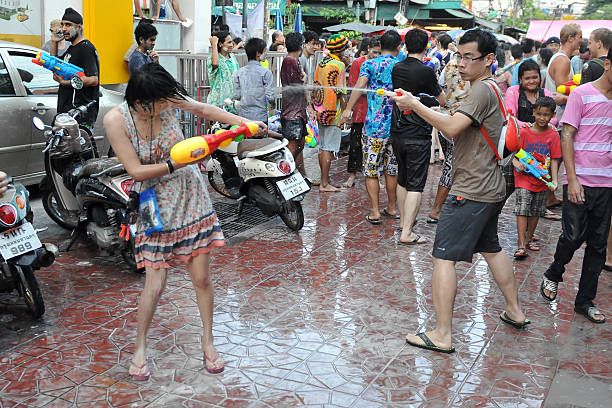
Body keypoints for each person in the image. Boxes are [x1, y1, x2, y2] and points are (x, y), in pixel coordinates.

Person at [104, 63, 266, 379]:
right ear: (141, 103)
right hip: (153, 201)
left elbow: (205, 108)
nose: (172, 105)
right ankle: (140, 347)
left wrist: (244, 123)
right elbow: (135, 172)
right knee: (155, 283)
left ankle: (208, 341)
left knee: (202, 278)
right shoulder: (116, 120)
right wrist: (174, 164)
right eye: (163, 102)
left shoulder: (168, 99)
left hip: (191, 195)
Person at [392, 28, 529, 353]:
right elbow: (459, 124)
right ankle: (514, 310)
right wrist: (425, 105)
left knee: (443, 257)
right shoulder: (490, 87)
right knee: (492, 248)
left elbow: (452, 128)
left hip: (472, 189)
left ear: (489, 60)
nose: (462, 63)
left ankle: (442, 334)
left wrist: (414, 105)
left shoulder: (481, 90)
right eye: (460, 56)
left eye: (470, 57)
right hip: (490, 186)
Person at [539, 47, 612, 323]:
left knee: (597, 244)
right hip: (579, 180)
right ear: (607, 64)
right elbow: (567, 135)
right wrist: (572, 180)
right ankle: (554, 272)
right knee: (572, 235)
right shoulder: (581, 94)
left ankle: (585, 301)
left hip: (607, 183)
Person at [390, 28, 446, 244]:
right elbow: (441, 100)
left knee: (403, 178)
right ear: (426, 46)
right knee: (415, 183)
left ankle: (404, 224)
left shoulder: (397, 68)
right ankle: (407, 233)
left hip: (397, 130)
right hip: (418, 133)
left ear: (405, 46)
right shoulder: (426, 71)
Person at [340, 30, 402, 222]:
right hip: (395, 126)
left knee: (371, 170)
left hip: (374, 126)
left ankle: (375, 211)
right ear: (398, 47)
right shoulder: (401, 65)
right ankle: (392, 208)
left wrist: (348, 109)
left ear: (380, 46)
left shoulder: (370, 63)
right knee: (392, 170)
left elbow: (360, 86)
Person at [426, 35, 471, 224]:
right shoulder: (472, 67)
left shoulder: (450, 65)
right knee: (452, 166)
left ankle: (449, 205)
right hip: (461, 121)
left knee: (453, 165)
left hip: (446, 119)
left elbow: (441, 88)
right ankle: (436, 209)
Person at [511, 96, 561, 259]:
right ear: (533, 112)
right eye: (539, 114)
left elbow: (554, 158)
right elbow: (512, 150)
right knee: (522, 209)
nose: (542, 118)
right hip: (523, 179)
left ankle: (529, 237)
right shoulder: (524, 131)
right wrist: (516, 163)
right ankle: (520, 245)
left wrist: (554, 180)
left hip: (542, 180)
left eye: (546, 115)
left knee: (536, 211)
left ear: (553, 115)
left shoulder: (553, 135)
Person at [544, 23, 583, 208]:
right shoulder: (563, 60)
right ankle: (545, 198)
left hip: (559, 118)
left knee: (555, 160)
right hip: (559, 118)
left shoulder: (562, 58)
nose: (582, 41)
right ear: (571, 38)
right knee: (555, 160)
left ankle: (549, 197)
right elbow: (561, 94)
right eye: (580, 37)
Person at [311, 34, 350, 192]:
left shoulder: (322, 63)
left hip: (321, 109)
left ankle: (325, 180)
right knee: (328, 148)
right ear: (340, 50)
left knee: (323, 147)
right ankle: (324, 184)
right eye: (346, 49)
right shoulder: (338, 65)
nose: (348, 52)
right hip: (333, 112)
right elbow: (341, 92)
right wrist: (346, 111)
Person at [51, 8, 100, 128]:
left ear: (79, 27)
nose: (63, 29)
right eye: (62, 25)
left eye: (68, 25)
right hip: (67, 114)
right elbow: (55, 66)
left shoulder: (85, 48)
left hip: (80, 115)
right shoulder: (72, 48)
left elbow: (93, 79)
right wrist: (54, 43)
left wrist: (65, 82)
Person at [343, 37, 381, 188]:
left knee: (376, 147)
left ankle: (375, 177)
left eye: (379, 53)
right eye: (374, 52)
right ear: (367, 49)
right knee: (355, 144)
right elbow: (353, 87)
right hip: (360, 110)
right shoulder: (358, 63)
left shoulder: (382, 63)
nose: (376, 56)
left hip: (377, 112)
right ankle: (352, 175)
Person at [280, 32, 308, 177]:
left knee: (300, 144)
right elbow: (296, 85)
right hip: (292, 112)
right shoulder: (289, 61)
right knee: (293, 145)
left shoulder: (293, 60)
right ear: (301, 46)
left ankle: (301, 176)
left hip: (298, 110)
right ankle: (283, 175)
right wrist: (304, 79)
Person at [504, 60, 559, 128]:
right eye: (527, 78)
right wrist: (524, 125)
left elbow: (554, 118)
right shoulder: (512, 92)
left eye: (535, 77)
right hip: (519, 135)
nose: (531, 81)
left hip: (543, 134)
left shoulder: (546, 93)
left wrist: (546, 125)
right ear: (520, 79)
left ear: (539, 76)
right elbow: (510, 118)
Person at [232, 38, 275, 124]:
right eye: (264, 51)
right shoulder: (266, 72)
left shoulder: (239, 72)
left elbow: (237, 95)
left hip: (243, 118)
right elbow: (270, 96)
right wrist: (273, 104)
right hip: (260, 118)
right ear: (258, 54)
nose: (266, 53)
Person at [206, 31, 239, 112]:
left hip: (232, 103)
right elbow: (215, 64)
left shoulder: (233, 57)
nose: (232, 45)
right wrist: (214, 44)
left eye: (232, 42)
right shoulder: (213, 58)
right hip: (217, 103)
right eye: (229, 42)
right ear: (220, 44)